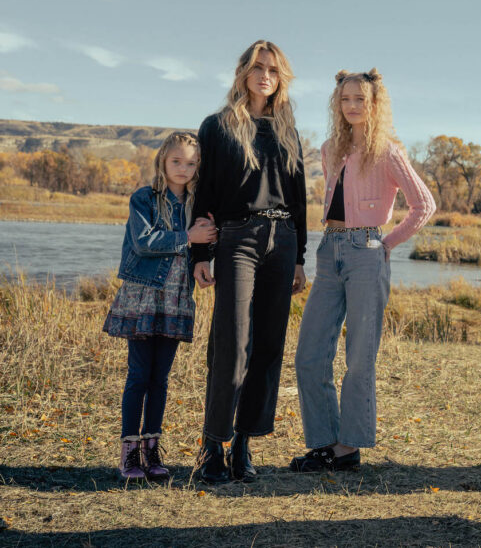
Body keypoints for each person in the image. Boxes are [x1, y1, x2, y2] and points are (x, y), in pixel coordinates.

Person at [288, 69, 435, 473]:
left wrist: (385, 244)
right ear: (338, 103)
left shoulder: (386, 150)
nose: (352, 106)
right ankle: (323, 442)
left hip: (366, 251)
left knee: (359, 357)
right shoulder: (329, 148)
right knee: (310, 354)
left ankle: (348, 446)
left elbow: (424, 205)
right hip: (328, 248)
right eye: (345, 99)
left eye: (360, 99)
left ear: (374, 104)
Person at [191, 40, 307, 483]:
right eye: (258, 68)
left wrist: (298, 258)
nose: (265, 76)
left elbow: (298, 198)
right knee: (232, 342)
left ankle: (243, 444)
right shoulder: (217, 126)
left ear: (281, 78)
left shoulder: (287, 129)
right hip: (237, 238)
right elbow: (205, 193)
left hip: (283, 240)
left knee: (268, 346)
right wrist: (200, 254)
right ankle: (212, 446)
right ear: (243, 72)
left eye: (273, 70)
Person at [103, 131, 216, 481]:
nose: (184, 168)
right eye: (177, 161)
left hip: (177, 297)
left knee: (161, 379)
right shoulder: (145, 198)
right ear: (163, 161)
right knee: (138, 376)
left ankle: (152, 452)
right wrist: (187, 237)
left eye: (192, 163)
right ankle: (128, 455)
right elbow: (143, 242)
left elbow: (206, 242)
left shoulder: (198, 204)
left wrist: (205, 253)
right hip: (144, 294)